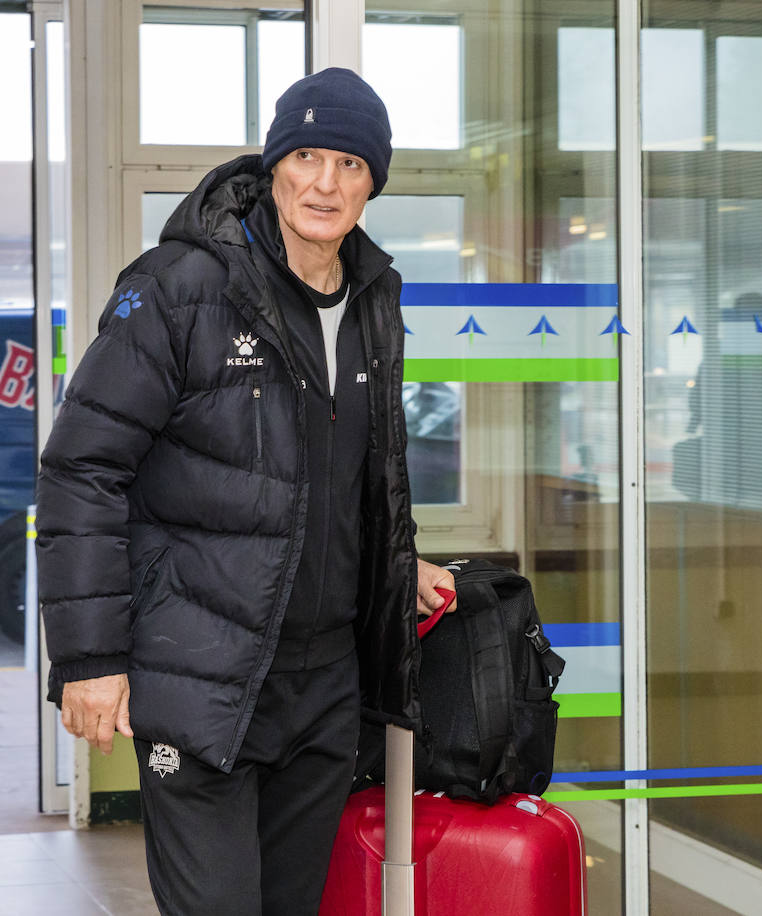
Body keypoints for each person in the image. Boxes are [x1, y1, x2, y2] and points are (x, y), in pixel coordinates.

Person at [36, 68, 455, 914]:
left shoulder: (376, 298)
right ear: (274, 166)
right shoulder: (181, 288)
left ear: (375, 181)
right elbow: (83, 467)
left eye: (350, 164)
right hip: (204, 675)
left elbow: (356, 469)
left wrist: (392, 562)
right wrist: (89, 659)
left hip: (325, 685)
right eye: (307, 156)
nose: (325, 184)